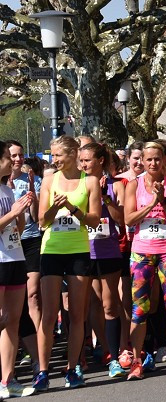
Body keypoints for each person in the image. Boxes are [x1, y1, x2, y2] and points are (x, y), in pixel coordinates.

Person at [35, 136, 101, 391]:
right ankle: (42, 371)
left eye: (59, 155)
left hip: (78, 251)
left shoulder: (90, 181)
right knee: (49, 314)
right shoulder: (50, 179)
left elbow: (94, 221)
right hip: (51, 249)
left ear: (73, 153)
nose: (54, 160)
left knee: (76, 314)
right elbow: (42, 220)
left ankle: (72, 368)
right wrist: (55, 208)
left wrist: (73, 208)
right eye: (53, 156)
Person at [123, 140, 166, 379]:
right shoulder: (133, 185)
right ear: (142, 160)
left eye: (156, 159)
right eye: (148, 159)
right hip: (141, 252)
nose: (152, 163)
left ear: (164, 160)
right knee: (139, 308)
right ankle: (137, 360)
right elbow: (129, 219)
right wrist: (151, 203)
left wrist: (162, 200)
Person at [80, 143, 126, 378]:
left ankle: (114, 356)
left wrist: (106, 197)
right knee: (91, 305)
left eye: (87, 160)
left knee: (110, 304)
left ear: (100, 160)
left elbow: (122, 219)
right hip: (83, 250)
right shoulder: (78, 184)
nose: (83, 165)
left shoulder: (115, 185)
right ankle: (103, 349)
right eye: (81, 160)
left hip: (108, 250)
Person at [0, 143, 34, 398]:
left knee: (12, 320)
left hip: (14, 257)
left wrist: (20, 210)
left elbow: (18, 229)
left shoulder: (7, 189)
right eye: (5, 157)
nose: (12, 161)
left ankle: (7, 379)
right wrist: (13, 212)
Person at [9, 142, 43, 379]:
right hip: (10, 246)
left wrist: (32, 190)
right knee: (14, 305)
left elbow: (35, 218)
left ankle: (38, 351)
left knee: (31, 295)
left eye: (21, 155)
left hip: (31, 241)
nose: (18, 159)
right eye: (13, 155)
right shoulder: (3, 184)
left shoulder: (33, 181)